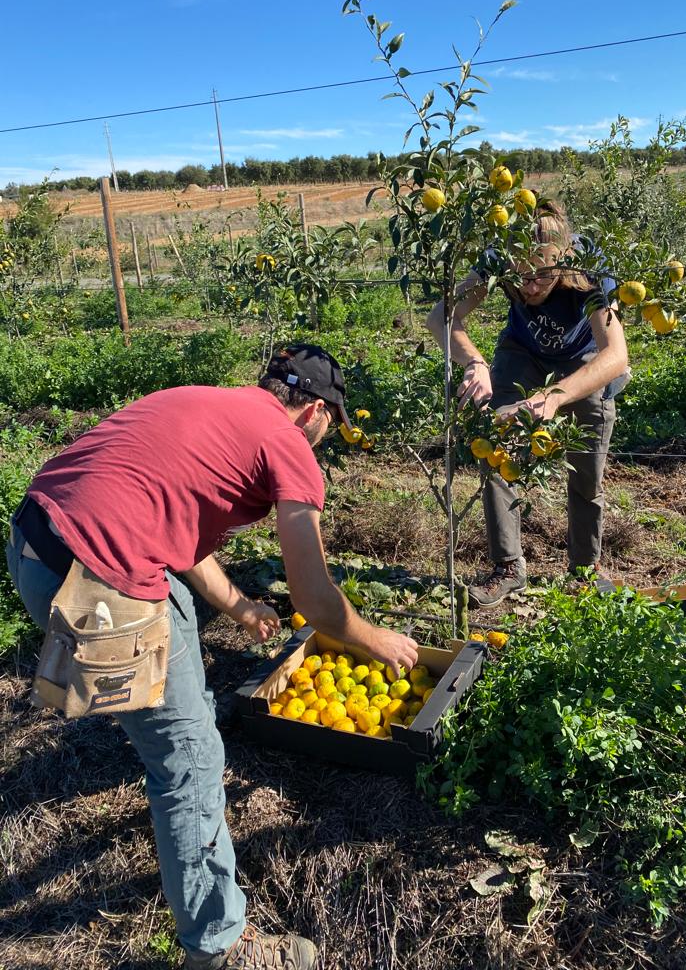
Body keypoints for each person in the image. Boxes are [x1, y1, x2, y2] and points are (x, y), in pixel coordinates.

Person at [5, 343, 419, 970]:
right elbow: (314, 597)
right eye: (330, 426)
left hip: (34, 547)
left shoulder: (206, 407)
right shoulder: (289, 446)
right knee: (189, 758)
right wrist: (373, 637)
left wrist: (239, 607)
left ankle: (170, 724)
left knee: (182, 690)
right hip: (101, 578)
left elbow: (169, 525)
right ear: (313, 412)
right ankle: (219, 946)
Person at [426, 200, 629, 608]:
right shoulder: (498, 257)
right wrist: (475, 362)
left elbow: (616, 356)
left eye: (542, 276)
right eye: (520, 277)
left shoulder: (588, 268)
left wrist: (553, 398)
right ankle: (508, 568)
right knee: (496, 450)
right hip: (523, 352)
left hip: (582, 359)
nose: (530, 287)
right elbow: (441, 317)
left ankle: (583, 570)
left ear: (564, 258)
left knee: (586, 470)